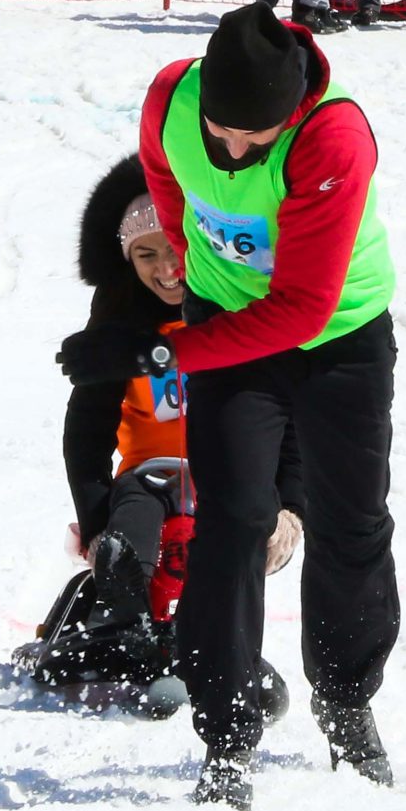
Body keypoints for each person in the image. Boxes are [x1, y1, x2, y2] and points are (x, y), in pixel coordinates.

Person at [57, 4, 399, 809]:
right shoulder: (171, 99)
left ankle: (346, 701)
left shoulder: (332, 140)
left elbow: (300, 312)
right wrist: (184, 287)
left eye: (257, 138)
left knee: (351, 524)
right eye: (225, 131)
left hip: (337, 339)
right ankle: (226, 729)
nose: (237, 150)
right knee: (233, 522)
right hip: (221, 325)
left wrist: (157, 352)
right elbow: (171, 190)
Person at [61, 156, 302, 637]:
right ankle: (122, 608)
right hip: (149, 475)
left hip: (233, 478)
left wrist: (290, 506)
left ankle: (218, 635)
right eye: (145, 255)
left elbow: (290, 417)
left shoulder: (237, 318)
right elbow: (86, 429)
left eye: (174, 248)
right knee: (134, 513)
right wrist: (94, 523)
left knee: (227, 531)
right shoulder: (121, 327)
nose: (167, 269)